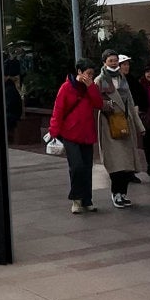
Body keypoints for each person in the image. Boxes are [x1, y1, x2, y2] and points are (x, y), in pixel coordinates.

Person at [48, 60, 105, 214]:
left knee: (87, 167)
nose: (90, 77)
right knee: (77, 167)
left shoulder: (91, 87)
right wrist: (54, 131)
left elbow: (99, 104)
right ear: (79, 71)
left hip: (87, 134)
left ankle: (87, 200)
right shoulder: (66, 88)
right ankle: (76, 199)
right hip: (70, 134)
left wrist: (91, 87)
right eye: (88, 73)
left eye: (92, 74)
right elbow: (58, 110)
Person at [96, 53, 143, 206]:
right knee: (117, 163)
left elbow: (130, 102)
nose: (114, 63)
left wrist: (139, 126)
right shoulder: (100, 80)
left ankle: (123, 193)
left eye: (116, 60)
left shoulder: (122, 79)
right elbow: (95, 101)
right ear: (104, 62)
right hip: (110, 125)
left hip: (126, 123)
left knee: (127, 162)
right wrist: (106, 105)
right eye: (110, 60)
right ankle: (116, 193)